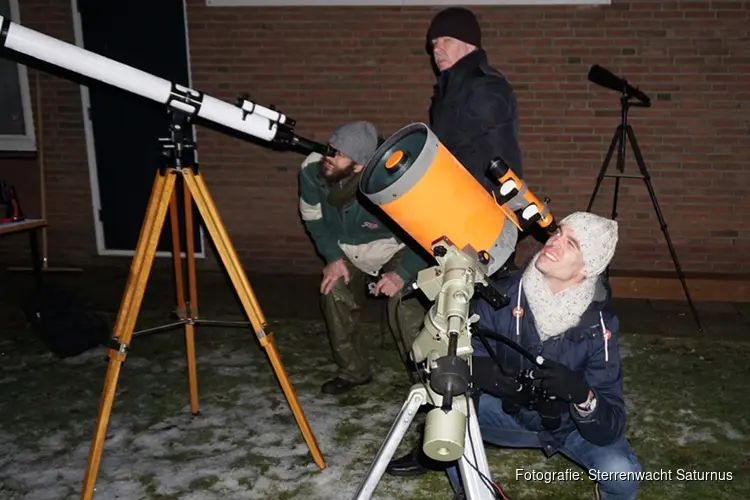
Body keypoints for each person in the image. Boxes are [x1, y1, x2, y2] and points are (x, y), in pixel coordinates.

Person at [444, 211, 642, 500]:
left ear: (587, 269)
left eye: (572, 243)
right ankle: (472, 491)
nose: (554, 242)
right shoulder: (498, 297)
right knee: (446, 418)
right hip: (505, 415)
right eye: (558, 232)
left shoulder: (601, 327)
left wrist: (581, 395)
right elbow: (450, 357)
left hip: (568, 427)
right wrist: (476, 370)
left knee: (622, 474)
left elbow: (611, 422)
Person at [298, 121, 430, 395]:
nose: (329, 158)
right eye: (330, 149)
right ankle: (353, 371)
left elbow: (425, 233)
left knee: (402, 302)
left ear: (359, 165)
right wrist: (332, 257)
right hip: (345, 249)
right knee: (332, 291)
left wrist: (402, 273)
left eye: (339, 155)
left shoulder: (392, 180)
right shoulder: (312, 170)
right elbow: (312, 216)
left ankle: (426, 378)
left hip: (394, 248)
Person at [426, 6, 523, 192]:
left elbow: (489, 156)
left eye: (447, 40)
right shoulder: (448, 91)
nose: (437, 49)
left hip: (480, 203)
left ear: (470, 45)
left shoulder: (484, 87)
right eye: (434, 42)